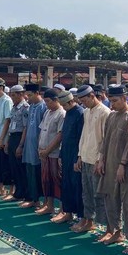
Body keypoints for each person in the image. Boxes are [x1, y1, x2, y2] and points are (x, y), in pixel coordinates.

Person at [97, 84, 128, 252]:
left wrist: (123, 165)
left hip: (125, 168)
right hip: (109, 165)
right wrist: (101, 159)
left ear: (124, 98)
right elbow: (106, 139)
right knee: (110, 199)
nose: (112, 104)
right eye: (111, 101)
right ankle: (116, 231)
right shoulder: (112, 116)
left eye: (115, 101)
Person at [74, 85, 110, 234]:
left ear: (92, 96)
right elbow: (84, 135)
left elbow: (105, 139)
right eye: (80, 101)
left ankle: (109, 228)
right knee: (87, 193)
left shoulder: (105, 112)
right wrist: (80, 156)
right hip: (86, 157)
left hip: (97, 160)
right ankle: (88, 221)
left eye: (84, 100)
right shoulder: (86, 112)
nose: (83, 103)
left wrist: (100, 160)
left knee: (99, 194)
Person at [54, 89, 84, 224]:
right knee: (66, 184)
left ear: (71, 101)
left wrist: (78, 157)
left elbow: (81, 138)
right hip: (66, 153)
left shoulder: (80, 113)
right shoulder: (68, 113)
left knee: (76, 185)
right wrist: (61, 154)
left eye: (65, 105)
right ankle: (68, 213)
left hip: (75, 154)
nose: (64, 108)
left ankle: (81, 216)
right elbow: (65, 136)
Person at [36, 88, 65, 216]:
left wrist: (47, 150)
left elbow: (60, 135)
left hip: (54, 154)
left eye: (48, 101)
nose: (46, 104)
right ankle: (49, 205)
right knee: (46, 180)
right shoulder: (47, 112)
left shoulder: (61, 114)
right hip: (44, 153)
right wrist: (40, 148)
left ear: (56, 100)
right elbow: (42, 131)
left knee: (57, 180)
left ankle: (62, 209)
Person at [20, 83, 47, 209]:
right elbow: (26, 127)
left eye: (30, 95)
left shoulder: (43, 107)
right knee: (29, 172)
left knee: (38, 174)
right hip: (29, 145)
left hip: (38, 146)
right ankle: (33, 198)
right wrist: (21, 144)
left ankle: (40, 201)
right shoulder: (31, 107)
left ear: (37, 93)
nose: (28, 98)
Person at [7, 84, 29, 201]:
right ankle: (18, 192)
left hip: (20, 137)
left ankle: (24, 193)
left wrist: (20, 145)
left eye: (14, 95)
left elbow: (25, 127)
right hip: (13, 136)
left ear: (21, 94)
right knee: (14, 167)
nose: (12, 97)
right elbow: (11, 123)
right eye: (11, 95)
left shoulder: (25, 107)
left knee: (21, 168)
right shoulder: (14, 107)